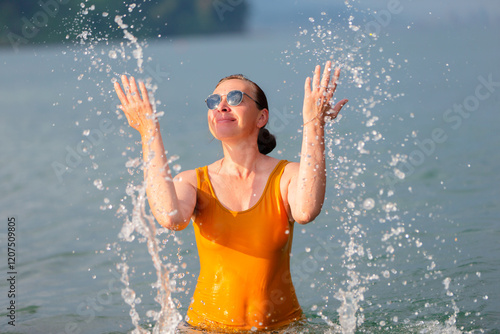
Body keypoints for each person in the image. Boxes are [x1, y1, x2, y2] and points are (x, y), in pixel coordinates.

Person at [114, 61, 348, 332]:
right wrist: (148, 130)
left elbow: (306, 211)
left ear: (262, 117)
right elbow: (170, 217)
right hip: (205, 329)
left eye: (235, 98)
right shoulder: (193, 182)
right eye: (214, 101)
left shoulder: (286, 175)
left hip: (283, 329)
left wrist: (314, 123)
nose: (221, 106)